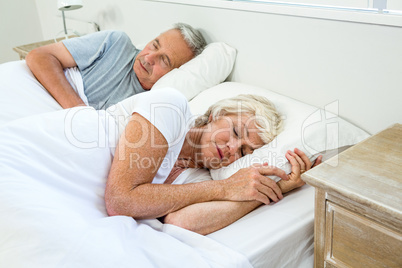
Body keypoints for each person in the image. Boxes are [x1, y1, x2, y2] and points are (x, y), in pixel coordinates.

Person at [104, 88, 322, 235]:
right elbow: (120, 200)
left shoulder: (199, 179)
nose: (233, 148)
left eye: (245, 152)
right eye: (236, 131)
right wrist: (225, 187)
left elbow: (180, 222)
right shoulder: (171, 108)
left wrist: (276, 187)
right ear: (217, 114)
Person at [25, 23, 206, 110]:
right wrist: (78, 110)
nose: (149, 57)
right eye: (155, 45)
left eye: (164, 61)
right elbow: (39, 56)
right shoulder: (115, 43)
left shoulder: (151, 104)